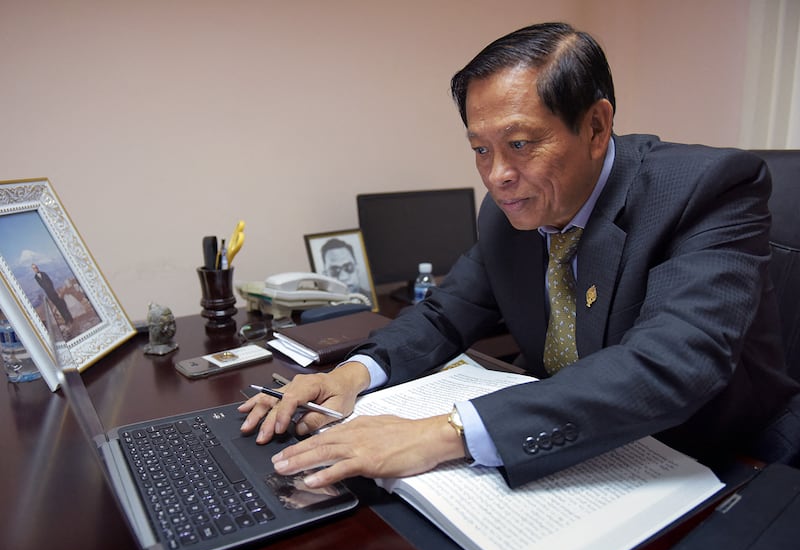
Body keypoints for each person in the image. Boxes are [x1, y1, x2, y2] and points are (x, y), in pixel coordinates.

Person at [240, 22, 800, 489]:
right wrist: (351, 374)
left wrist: (442, 434)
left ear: (596, 126)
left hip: (725, 459)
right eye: (480, 150)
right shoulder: (508, 213)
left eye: (520, 144)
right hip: (581, 453)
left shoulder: (706, 188)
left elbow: (671, 363)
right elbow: (445, 314)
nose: (497, 176)